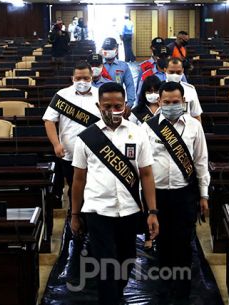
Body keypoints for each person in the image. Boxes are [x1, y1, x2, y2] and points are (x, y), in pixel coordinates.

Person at [71, 82, 159, 305]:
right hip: (97, 210)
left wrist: (152, 211)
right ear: (98, 106)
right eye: (107, 106)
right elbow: (78, 179)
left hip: (129, 209)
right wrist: (74, 215)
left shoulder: (137, 133)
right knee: (105, 263)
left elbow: (147, 174)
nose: (112, 110)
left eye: (117, 105)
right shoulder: (86, 137)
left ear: (125, 105)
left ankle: (117, 293)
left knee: (127, 259)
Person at [141, 81, 209, 304]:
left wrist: (204, 194)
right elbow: (142, 167)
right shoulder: (147, 128)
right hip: (157, 196)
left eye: (175, 102)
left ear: (183, 102)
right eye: (167, 102)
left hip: (184, 195)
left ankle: (182, 293)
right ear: (159, 102)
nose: (171, 105)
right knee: (162, 244)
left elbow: (201, 162)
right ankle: (163, 290)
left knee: (183, 245)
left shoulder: (194, 126)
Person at [43, 61, 101, 209]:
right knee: (75, 188)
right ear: (72, 78)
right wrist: (56, 144)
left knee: (95, 189)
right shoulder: (62, 95)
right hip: (70, 154)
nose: (82, 82)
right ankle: (75, 219)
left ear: (92, 77)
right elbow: (49, 120)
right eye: (78, 78)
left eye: (86, 78)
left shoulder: (100, 95)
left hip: (97, 153)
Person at [100, 37, 136, 109]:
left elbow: (130, 85)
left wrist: (130, 103)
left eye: (110, 49)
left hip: (118, 102)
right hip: (101, 102)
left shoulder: (123, 66)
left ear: (116, 50)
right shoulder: (98, 65)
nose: (108, 51)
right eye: (106, 49)